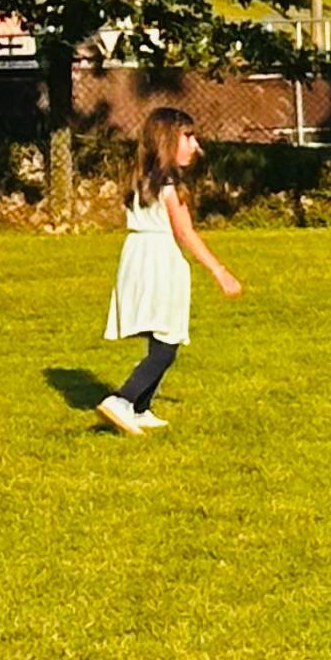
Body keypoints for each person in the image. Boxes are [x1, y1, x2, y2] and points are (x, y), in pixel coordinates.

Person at [99, 105, 242, 435]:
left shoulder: (141, 181)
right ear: (167, 140)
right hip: (161, 261)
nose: (196, 146)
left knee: (159, 338)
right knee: (166, 344)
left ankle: (140, 408)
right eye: (188, 138)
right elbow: (185, 233)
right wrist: (219, 271)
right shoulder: (171, 186)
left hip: (136, 259)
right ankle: (122, 399)